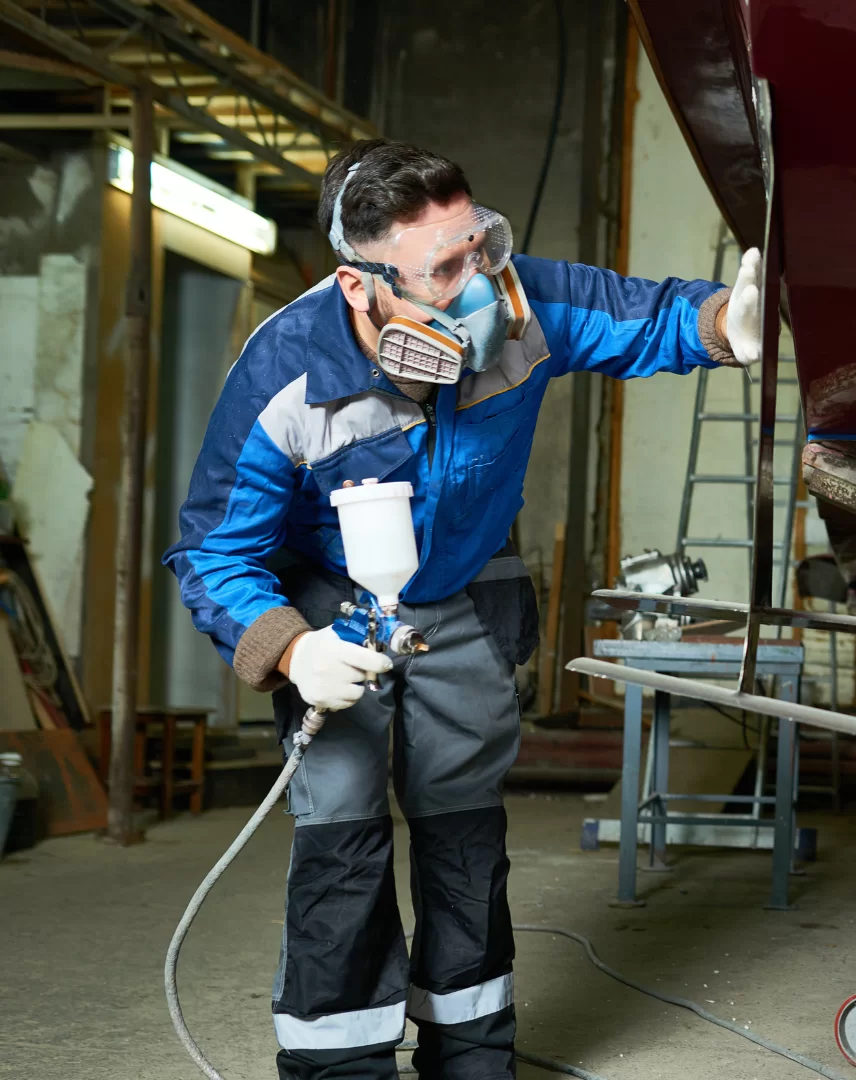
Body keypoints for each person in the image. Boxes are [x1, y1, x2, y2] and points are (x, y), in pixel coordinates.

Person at [163, 138, 763, 1080]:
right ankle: (338, 1067)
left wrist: (733, 321)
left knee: (463, 836)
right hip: (333, 602)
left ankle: (472, 1058)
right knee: (343, 835)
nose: (476, 281)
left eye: (478, 245)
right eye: (441, 270)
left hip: (467, 591)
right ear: (360, 287)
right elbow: (213, 550)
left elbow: (647, 319)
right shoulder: (285, 373)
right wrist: (286, 649)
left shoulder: (519, 303)